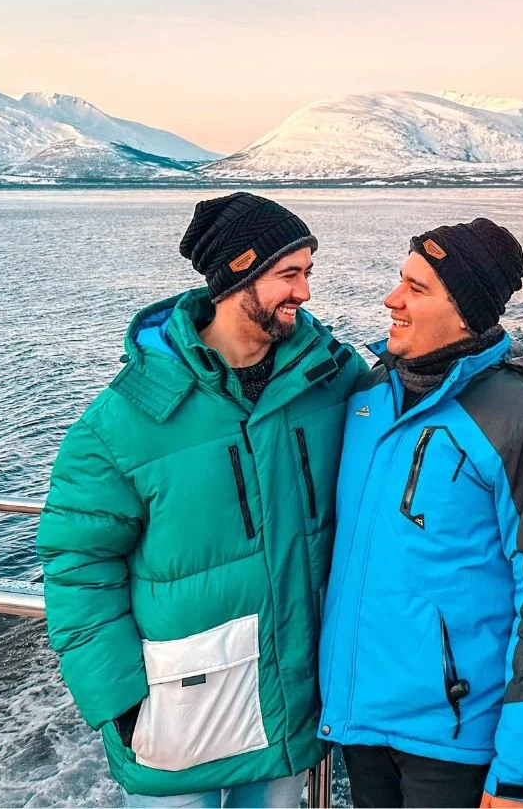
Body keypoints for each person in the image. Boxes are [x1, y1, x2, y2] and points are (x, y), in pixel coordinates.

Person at [37, 192, 366, 807]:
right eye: (287, 275)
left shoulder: (333, 380)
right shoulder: (126, 418)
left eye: (307, 273)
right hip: (178, 706)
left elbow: (417, 414)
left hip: (288, 696)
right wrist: (120, 703)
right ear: (236, 278)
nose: (305, 293)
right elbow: (77, 564)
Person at [320, 218, 523, 808]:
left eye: (417, 289)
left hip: (453, 739)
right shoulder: (367, 397)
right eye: (400, 281)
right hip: (357, 723)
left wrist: (521, 767)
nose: (392, 300)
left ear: (466, 311)